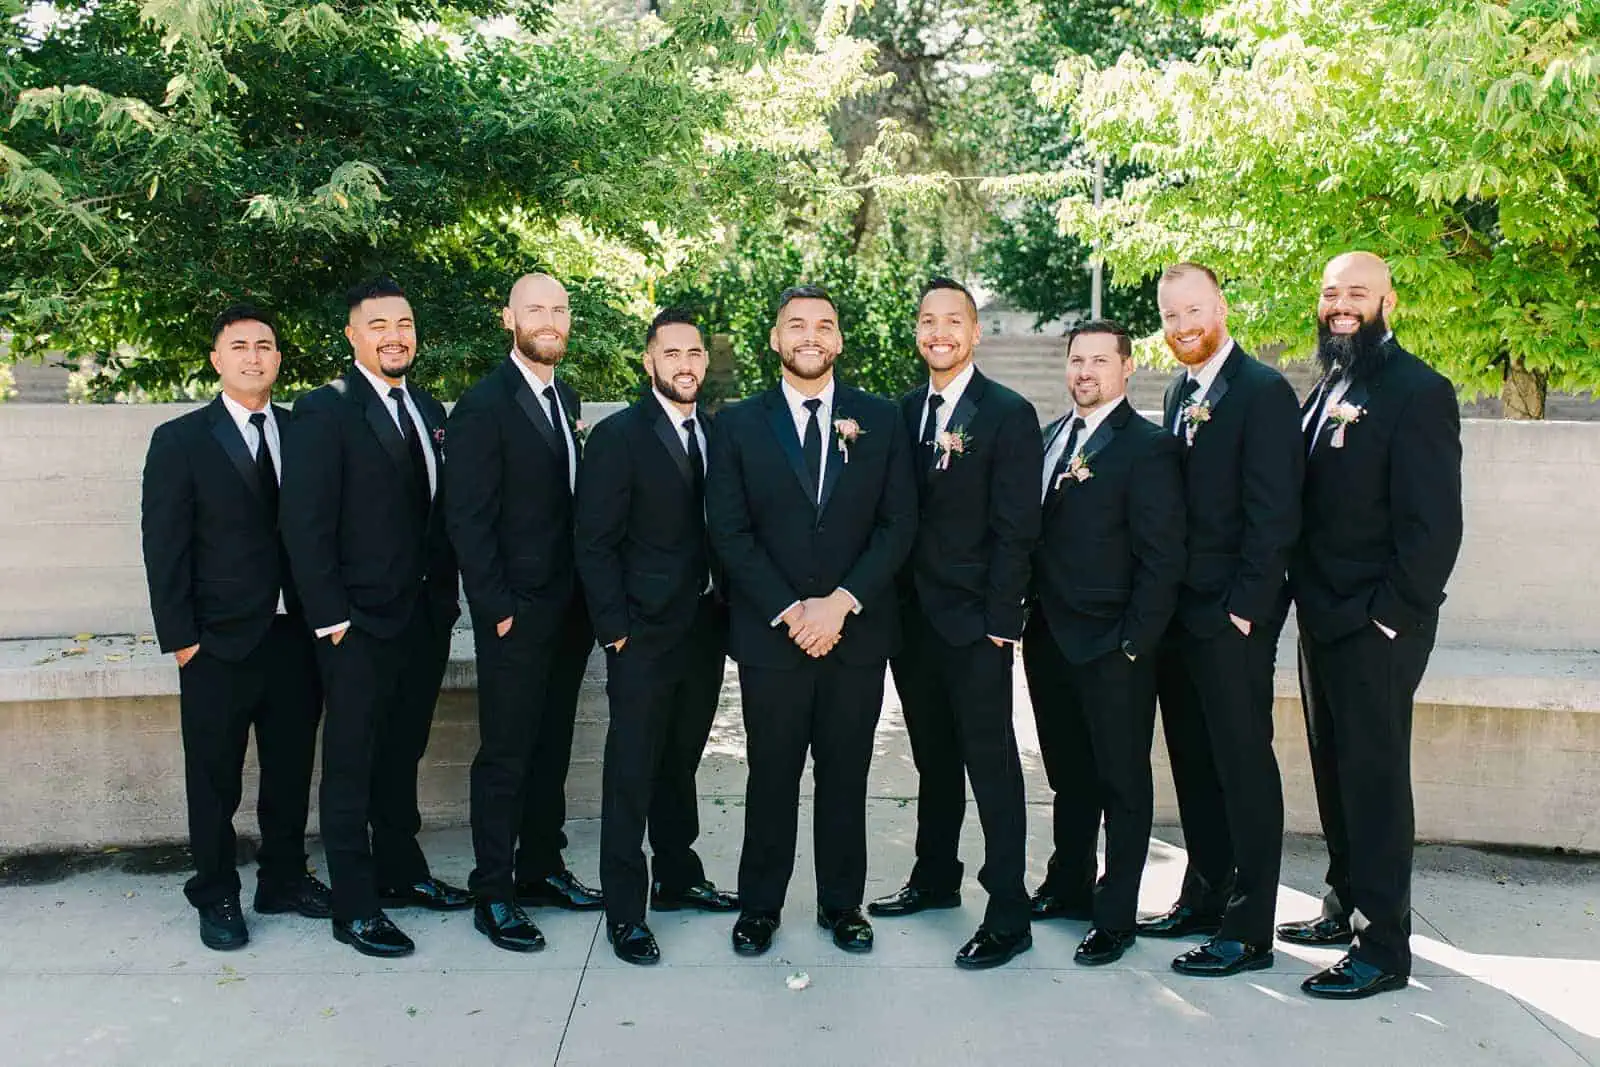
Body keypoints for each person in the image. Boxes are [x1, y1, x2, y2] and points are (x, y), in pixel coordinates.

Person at [705, 285, 917, 958]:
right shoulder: (736, 423)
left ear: (840, 340)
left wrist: (842, 601)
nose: (810, 335)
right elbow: (730, 530)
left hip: (855, 633)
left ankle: (841, 903)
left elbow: (897, 524)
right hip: (774, 635)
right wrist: (794, 610)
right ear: (775, 338)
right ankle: (760, 906)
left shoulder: (880, 419)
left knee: (846, 773)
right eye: (796, 324)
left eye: (824, 324)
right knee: (770, 772)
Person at [1279, 252, 1463, 999]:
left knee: (1375, 780)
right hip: (1322, 617)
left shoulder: (1418, 391)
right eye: (1330, 293)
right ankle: (1342, 904)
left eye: (1357, 292)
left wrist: (1389, 619)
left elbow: (1434, 528)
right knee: (1334, 769)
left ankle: (1382, 946)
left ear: (1390, 299)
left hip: (1376, 626)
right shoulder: (1331, 381)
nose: (1341, 305)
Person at [281, 277, 466, 958]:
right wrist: (331, 619)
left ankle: (401, 871)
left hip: (422, 619)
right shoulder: (324, 410)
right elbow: (303, 524)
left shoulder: (427, 405)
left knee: (401, 753)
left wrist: (443, 605)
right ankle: (355, 905)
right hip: (355, 623)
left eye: (405, 322)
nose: (395, 336)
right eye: (379, 324)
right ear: (353, 335)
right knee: (352, 763)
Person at [140, 304, 329, 951]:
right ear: (217, 358)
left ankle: (283, 878)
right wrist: (183, 639)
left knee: (289, 769)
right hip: (216, 643)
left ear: (279, 358)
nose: (254, 355)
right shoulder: (181, 440)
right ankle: (216, 889)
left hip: (295, 639)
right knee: (214, 776)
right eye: (240, 345)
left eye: (266, 345)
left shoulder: (305, 433)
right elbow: (164, 547)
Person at [869, 278, 1040, 970]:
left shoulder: (1007, 412)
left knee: (990, 764)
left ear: (974, 333)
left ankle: (1008, 910)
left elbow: (1016, 527)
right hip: (910, 624)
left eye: (953, 321)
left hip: (976, 624)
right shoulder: (900, 412)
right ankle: (935, 875)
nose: (939, 332)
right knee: (933, 759)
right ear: (917, 332)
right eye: (928, 321)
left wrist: (1003, 621)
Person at [1139, 262, 1303, 978]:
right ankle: (1203, 893)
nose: (1183, 326)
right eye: (1171, 316)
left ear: (1223, 307)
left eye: (1193, 310)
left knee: (1242, 767)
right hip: (1180, 614)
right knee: (1194, 764)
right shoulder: (1179, 391)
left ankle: (1248, 927)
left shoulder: (1263, 392)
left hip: (1232, 618)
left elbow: (1276, 514)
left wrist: (1244, 610)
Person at [443, 273, 603, 953]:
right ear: (508, 317)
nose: (549, 319)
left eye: (559, 309)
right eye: (535, 308)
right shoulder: (484, 404)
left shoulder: (563, 395)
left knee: (551, 745)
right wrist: (497, 609)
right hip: (516, 611)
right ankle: (495, 890)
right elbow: (468, 518)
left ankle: (542, 866)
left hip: (569, 610)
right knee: (506, 752)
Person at [575, 308, 738, 966]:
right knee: (631, 770)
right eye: (671, 353)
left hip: (704, 627)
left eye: (694, 352)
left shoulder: (719, 433)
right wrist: (614, 631)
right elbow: (594, 541)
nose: (685, 363)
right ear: (649, 363)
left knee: (680, 760)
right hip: (641, 632)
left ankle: (678, 874)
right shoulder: (618, 437)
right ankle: (625, 910)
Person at [1022, 318, 1186, 966]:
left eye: (1098, 360)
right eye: (1076, 360)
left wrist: (1134, 644)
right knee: (1069, 776)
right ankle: (1067, 884)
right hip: (1050, 640)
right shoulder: (1050, 437)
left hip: (1114, 645)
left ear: (1126, 369)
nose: (1084, 372)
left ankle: (1115, 913)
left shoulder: (1147, 447)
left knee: (1122, 781)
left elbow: (1162, 556)